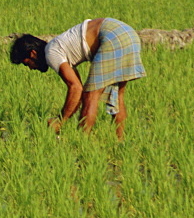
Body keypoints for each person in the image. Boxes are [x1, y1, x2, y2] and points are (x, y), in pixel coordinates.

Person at [10, 18, 146, 139]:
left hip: (111, 36)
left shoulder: (51, 52)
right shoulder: (60, 47)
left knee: (91, 95)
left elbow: (76, 88)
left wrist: (60, 120)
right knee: (116, 95)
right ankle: (120, 140)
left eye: (27, 63)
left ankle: (82, 141)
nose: (31, 68)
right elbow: (77, 91)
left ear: (33, 53)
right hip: (128, 34)